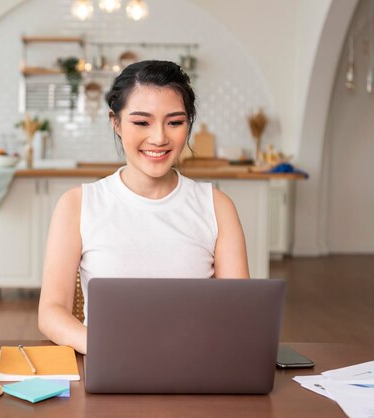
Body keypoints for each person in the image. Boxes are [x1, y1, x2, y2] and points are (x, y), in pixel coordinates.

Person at [38, 60, 249, 354]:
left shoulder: (217, 206)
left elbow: (238, 312)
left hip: (193, 364)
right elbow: (51, 312)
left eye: (175, 122)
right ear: (116, 123)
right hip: (109, 363)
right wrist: (108, 347)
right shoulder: (77, 204)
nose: (160, 138)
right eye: (141, 122)